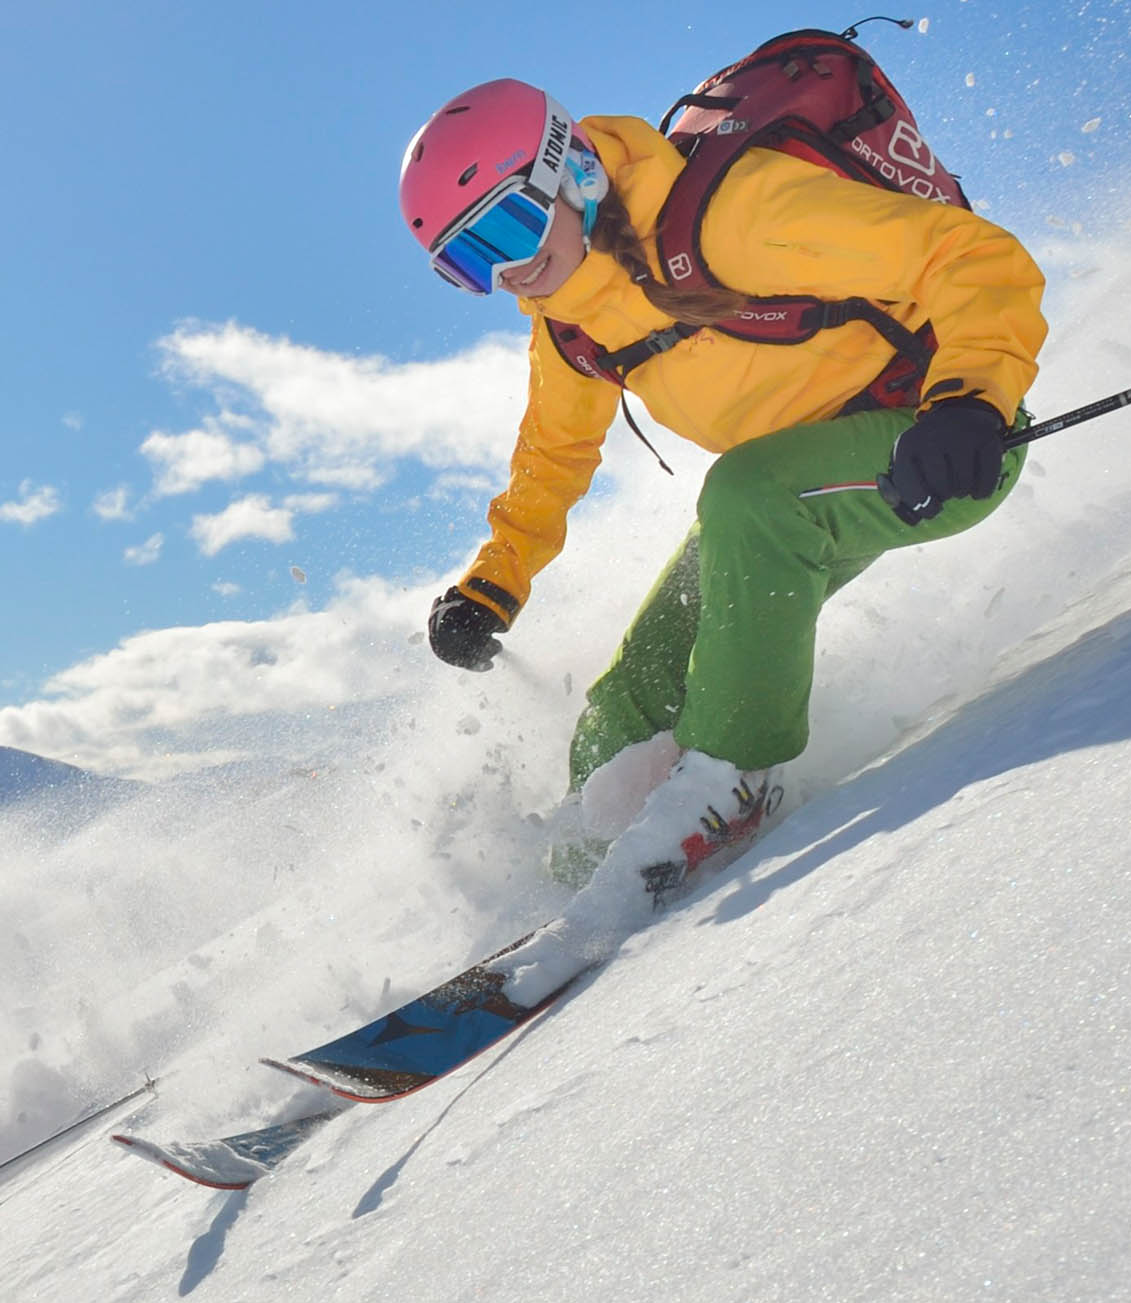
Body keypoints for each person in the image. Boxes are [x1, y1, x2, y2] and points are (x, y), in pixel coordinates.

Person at [397, 74, 1047, 999]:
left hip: (940, 443)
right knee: (623, 709)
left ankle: (730, 782)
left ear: (571, 170)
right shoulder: (571, 323)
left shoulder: (734, 218)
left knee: (741, 497)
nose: (508, 273)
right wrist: (491, 585)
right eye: (469, 265)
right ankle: (580, 889)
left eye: (508, 229)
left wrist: (972, 403)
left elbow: (973, 256)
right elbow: (552, 456)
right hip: (790, 490)